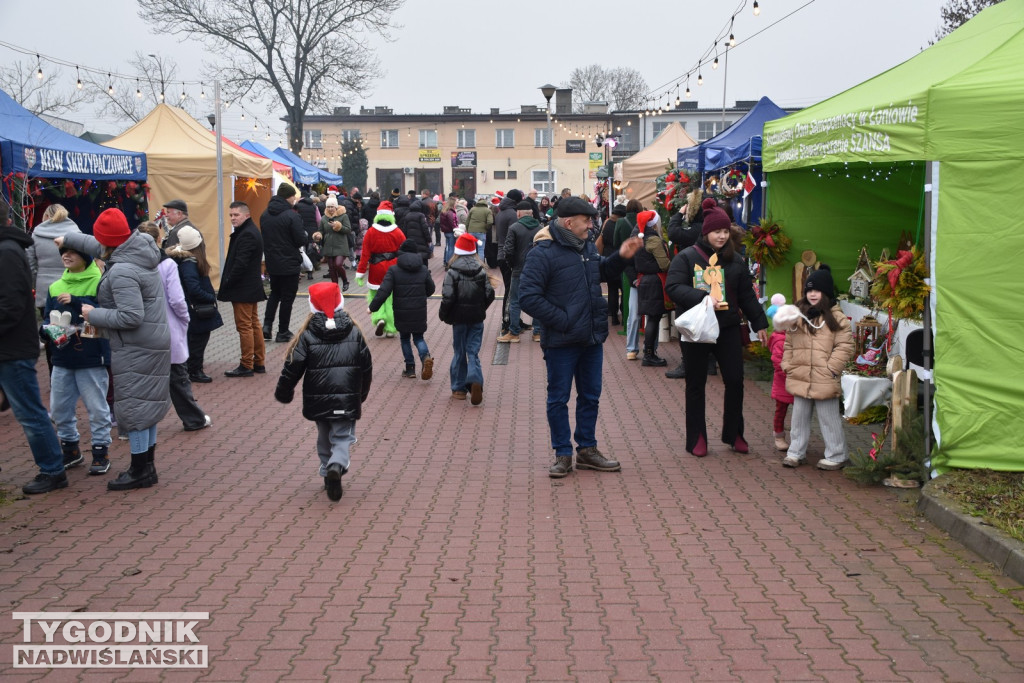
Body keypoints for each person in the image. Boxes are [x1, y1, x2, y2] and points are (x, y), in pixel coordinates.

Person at [519, 197, 643, 478]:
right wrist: (563, 320)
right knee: (558, 399)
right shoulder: (543, 252)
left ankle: (587, 449)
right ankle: (562, 453)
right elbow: (527, 296)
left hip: (590, 338)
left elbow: (600, 273)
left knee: (590, 396)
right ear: (568, 222)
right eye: (586, 220)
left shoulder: (585, 247)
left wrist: (622, 255)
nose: (591, 224)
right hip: (562, 341)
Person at [63, 208, 171, 490]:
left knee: (136, 410)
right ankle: (147, 467)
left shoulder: (122, 270)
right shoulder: (137, 249)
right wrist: (67, 237)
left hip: (136, 346)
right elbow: (96, 244)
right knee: (146, 407)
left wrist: (92, 314)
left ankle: (139, 471)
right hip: (151, 342)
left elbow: (130, 316)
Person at [664, 204, 769, 457]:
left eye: (725, 231)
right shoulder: (687, 257)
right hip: (697, 329)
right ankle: (697, 438)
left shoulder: (736, 259)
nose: (721, 236)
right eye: (716, 231)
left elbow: (746, 295)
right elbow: (673, 287)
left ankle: (735, 433)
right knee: (696, 383)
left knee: (735, 380)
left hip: (728, 327)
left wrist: (760, 322)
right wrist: (702, 297)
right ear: (706, 232)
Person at [274, 282, 373, 502]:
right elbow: (366, 366)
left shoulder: (307, 334)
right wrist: (361, 394)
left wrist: (284, 391)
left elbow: (293, 365)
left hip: (317, 399)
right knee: (342, 436)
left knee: (323, 435)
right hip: (346, 398)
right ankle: (336, 465)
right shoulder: (354, 331)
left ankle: (326, 470)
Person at [0, 202, 68, 494]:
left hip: (12, 349)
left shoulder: (6, 253)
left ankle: (53, 469)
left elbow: (11, 306)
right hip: (10, 347)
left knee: (29, 412)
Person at [42, 242, 113, 474]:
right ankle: (71, 450)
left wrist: (74, 301)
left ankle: (101, 453)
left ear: (85, 256)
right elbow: (46, 319)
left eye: (71, 252)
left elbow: (105, 314)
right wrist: (46, 331)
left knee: (97, 408)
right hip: (62, 358)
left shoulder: (100, 281)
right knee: (59, 409)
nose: (66, 256)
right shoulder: (54, 286)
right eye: (63, 253)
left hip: (92, 357)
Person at [778, 267, 855, 469]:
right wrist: (788, 365)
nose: (812, 294)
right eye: (809, 290)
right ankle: (795, 452)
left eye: (817, 290)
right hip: (800, 374)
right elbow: (788, 344)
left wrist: (832, 368)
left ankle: (837, 454)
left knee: (829, 418)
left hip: (824, 377)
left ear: (827, 293)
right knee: (799, 418)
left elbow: (845, 346)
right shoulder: (797, 316)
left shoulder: (836, 318)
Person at [137, 222, 211, 432]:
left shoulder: (129, 264)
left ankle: (136, 425)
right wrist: (184, 319)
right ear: (159, 240)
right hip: (167, 327)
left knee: (142, 381)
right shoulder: (167, 265)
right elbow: (177, 300)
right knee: (178, 378)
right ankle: (193, 418)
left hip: (140, 330)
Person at [439, 233, 495, 405]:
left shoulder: (453, 271)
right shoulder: (481, 270)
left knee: (459, 352)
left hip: (459, 319)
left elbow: (448, 297)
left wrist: (444, 314)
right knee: (473, 351)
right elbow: (490, 294)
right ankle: (475, 378)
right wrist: (480, 308)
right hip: (477, 318)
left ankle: (458, 389)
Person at [369, 240, 435, 379]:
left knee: (405, 338)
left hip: (401, 311)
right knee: (418, 337)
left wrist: (372, 307)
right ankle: (426, 357)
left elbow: (383, 291)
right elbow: (431, 289)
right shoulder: (423, 269)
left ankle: (410, 368)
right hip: (419, 310)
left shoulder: (394, 270)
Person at [166, 226, 223, 384]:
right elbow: (193, 288)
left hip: (193, 308)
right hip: (197, 309)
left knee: (194, 338)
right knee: (198, 339)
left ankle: (193, 368)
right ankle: (195, 370)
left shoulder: (181, 259)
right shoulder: (189, 263)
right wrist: (209, 297)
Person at [218, 201, 266, 377]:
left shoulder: (247, 234)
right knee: (253, 324)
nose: (232, 218)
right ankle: (258, 361)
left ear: (246, 215)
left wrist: (229, 281)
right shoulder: (248, 231)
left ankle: (247, 364)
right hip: (249, 287)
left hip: (243, 288)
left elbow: (240, 264)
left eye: (236, 215)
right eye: (231, 215)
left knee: (245, 326)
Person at [261, 183, 308, 343]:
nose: (295, 198)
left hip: (272, 262)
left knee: (275, 293)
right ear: (288, 197)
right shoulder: (291, 215)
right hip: (289, 262)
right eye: (293, 196)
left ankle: (266, 327)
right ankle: (282, 331)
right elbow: (300, 239)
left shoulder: (265, 214)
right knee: (287, 297)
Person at [356, 201, 406, 338]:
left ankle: (380, 317)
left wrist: (360, 273)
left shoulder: (371, 232)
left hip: (376, 268)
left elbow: (365, 255)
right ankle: (390, 328)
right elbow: (405, 249)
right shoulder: (398, 232)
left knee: (376, 295)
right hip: (394, 268)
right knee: (391, 298)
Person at [497, 200, 541, 343]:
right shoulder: (540, 227)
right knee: (537, 299)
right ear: (532, 213)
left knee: (515, 301)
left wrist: (512, 264)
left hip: (518, 269)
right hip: (536, 270)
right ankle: (537, 332)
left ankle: (514, 332)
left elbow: (508, 251)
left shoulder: (514, 228)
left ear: (519, 214)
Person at [633, 210, 673, 367]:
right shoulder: (654, 241)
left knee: (651, 318)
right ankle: (649, 354)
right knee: (653, 318)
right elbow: (664, 264)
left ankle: (648, 353)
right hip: (655, 282)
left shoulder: (637, 238)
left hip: (644, 280)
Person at [613, 199, 643, 359]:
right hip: (644, 272)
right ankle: (651, 348)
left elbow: (616, 242)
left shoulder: (621, 222)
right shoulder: (645, 225)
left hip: (625, 264)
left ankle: (631, 348)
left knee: (632, 310)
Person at [495, 189, 524, 335]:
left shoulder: (502, 211)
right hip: (508, 256)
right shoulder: (512, 214)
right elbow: (515, 237)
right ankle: (508, 322)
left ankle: (514, 320)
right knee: (511, 290)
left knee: (511, 290)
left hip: (501, 253)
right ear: (517, 200)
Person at [316, 196, 352, 292]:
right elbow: (321, 231)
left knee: (338, 264)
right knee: (331, 268)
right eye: (328, 207)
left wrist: (338, 226)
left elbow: (348, 230)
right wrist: (318, 235)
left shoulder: (343, 216)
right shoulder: (324, 218)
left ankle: (345, 281)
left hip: (340, 245)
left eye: (332, 207)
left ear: (336, 207)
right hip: (328, 246)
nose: (330, 209)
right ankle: (334, 288)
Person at [599, 204, 626, 326]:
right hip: (621, 258)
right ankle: (624, 312)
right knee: (623, 288)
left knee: (612, 289)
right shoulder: (623, 224)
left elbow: (602, 239)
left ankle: (613, 315)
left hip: (608, 256)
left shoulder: (607, 223)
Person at [438, 197, 459, 264]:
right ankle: (449, 262)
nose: (456, 204)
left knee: (447, 247)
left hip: (446, 231)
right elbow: (452, 223)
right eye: (455, 202)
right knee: (451, 248)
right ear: (452, 203)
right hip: (450, 231)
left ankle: (446, 261)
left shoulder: (444, 211)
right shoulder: (450, 212)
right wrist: (456, 228)